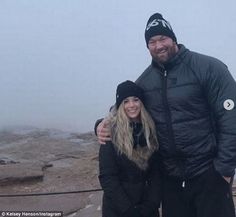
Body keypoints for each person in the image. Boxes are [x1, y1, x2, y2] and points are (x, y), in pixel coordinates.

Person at [96, 13, 236, 217]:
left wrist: (223, 170)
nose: (158, 45)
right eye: (152, 41)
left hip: (209, 174)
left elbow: (231, 118)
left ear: (174, 39)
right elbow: (125, 104)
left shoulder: (209, 68)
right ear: (147, 46)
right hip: (171, 180)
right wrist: (101, 123)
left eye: (163, 38)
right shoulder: (146, 80)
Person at [99, 80, 161, 217]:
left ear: (142, 103)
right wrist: (128, 210)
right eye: (126, 101)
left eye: (135, 100)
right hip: (118, 208)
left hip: (147, 207)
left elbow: (156, 174)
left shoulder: (151, 132)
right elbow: (108, 177)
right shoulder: (110, 133)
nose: (131, 105)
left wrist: (150, 205)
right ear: (120, 105)